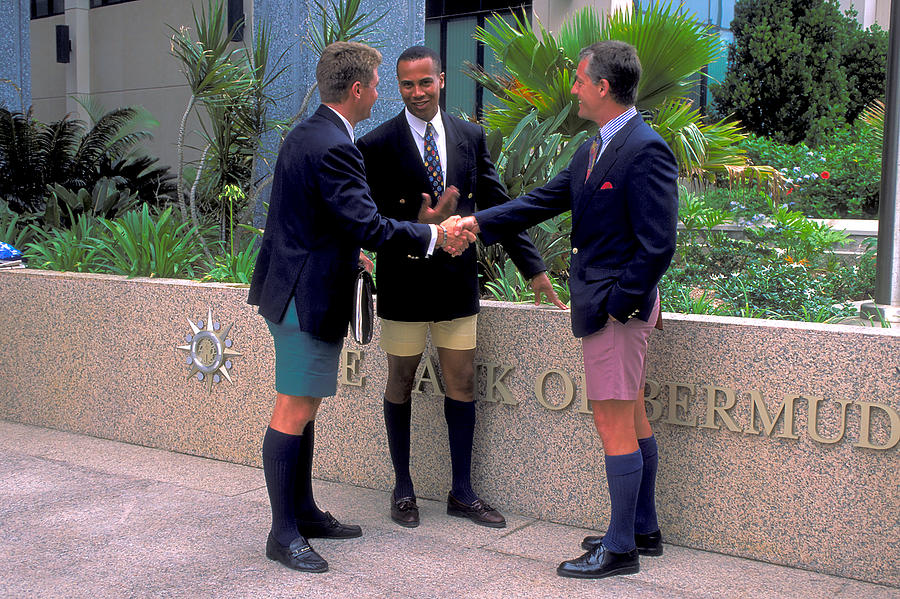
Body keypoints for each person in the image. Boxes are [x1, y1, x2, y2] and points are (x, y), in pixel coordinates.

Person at [247, 41, 473, 574]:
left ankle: (303, 513)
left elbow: (319, 218)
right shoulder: (336, 145)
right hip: (306, 295)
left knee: (305, 408)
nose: (379, 94)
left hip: (294, 287)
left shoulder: (309, 133)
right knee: (293, 409)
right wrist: (433, 234)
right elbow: (367, 224)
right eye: (375, 84)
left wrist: (351, 254)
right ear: (356, 89)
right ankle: (283, 534)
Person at [455, 41, 677, 579]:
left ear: (603, 86)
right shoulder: (594, 147)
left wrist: (619, 306)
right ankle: (642, 529)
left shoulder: (645, 149)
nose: (573, 88)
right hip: (608, 308)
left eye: (579, 80)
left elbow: (658, 245)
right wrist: (478, 223)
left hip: (615, 312)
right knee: (631, 415)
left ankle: (620, 548)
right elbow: (540, 201)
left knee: (613, 421)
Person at [356, 45, 566, 530]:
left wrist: (533, 269)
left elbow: (498, 205)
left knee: (463, 382)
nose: (417, 93)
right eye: (406, 84)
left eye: (424, 82)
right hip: (404, 283)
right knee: (400, 381)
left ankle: (463, 492)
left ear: (442, 80)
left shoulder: (469, 136)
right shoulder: (376, 144)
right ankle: (403, 487)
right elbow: (367, 218)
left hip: (456, 283)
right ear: (398, 86)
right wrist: (419, 228)